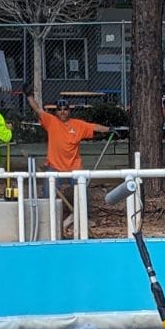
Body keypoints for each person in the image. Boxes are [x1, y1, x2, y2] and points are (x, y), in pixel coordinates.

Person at [29, 96, 113, 232]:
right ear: (56, 111)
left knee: (82, 190)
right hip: (54, 166)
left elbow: (94, 127)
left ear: (69, 111)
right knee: (47, 191)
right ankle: (45, 219)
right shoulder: (51, 121)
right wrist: (28, 96)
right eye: (59, 109)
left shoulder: (77, 124)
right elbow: (37, 109)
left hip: (74, 166)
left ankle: (83, 218)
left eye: (65, 109)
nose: (62, 112)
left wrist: (109, 129)